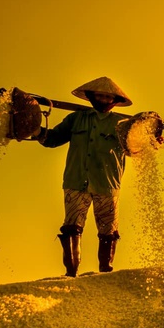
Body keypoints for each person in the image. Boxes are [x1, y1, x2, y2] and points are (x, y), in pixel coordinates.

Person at [38, 77, 132, 277]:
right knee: (72, 227)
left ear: (114, 100)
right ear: (91, 97)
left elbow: (136, 148)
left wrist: (152, 139)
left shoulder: (122, 124)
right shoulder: (75, 119)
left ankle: (105, 272)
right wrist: (37, 131)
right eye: (100, 95)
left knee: (108, 231)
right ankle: (71, 272)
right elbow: (53, 139)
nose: (103, 99)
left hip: (107, 183)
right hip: (76, 180)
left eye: (107, 97)